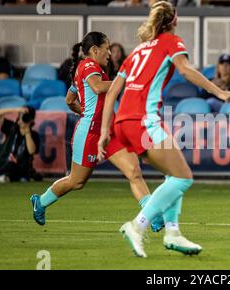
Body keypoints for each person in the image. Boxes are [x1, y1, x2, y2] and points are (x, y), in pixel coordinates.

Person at [98, 1, 230, 258]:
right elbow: (185, 70)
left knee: (174, 175)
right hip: (144, 120)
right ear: (174, 20)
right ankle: (137, 226)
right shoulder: (170, 42)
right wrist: (218, 92)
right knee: (183, 178)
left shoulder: (137, 51)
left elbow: (112, 93)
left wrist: (105, 130)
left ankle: (173, 232)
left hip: (123, 123)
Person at [29, 32, 162, 230]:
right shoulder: (88, 65)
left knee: (134, 172)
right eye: (106, 48)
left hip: (108, 131)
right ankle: (40, 202)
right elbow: (98, 88)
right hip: (90, 133)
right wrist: (127, 83)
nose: (109, 53)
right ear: (94, 50)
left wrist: (87, 111)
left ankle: (152, 215)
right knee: (76, 182)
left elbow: (69, 100)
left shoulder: (91, 69)